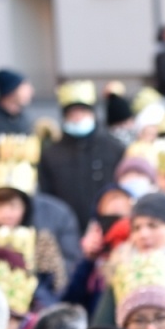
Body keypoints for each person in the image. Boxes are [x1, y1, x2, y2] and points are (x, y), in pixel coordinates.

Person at [39, 82, 127, 231]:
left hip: (110, 227)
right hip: (67, 228)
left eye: (83, 112)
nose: (78, 118)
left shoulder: (114, 148)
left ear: (92, 113)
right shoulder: (51, 154)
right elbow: (47, 194)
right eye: (72, 114)